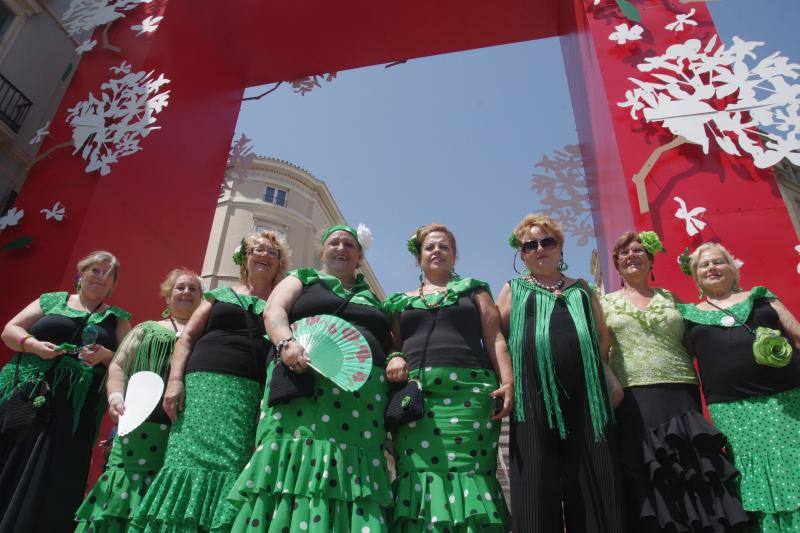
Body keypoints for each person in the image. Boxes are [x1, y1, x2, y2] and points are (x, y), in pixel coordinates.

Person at [228, 224, 393, 532]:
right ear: (322, 251)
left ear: (359, 256)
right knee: (294, 458)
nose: (341, 248)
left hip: (362, 396)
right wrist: (285, 343)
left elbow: (389, 341)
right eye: (334, 243)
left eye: (349, 244)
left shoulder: (371, 297)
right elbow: (274, 311)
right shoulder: (302, 279)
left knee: (351, 471)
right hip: (302, 380)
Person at [131, 231, 287, 532]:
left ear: (280, 263)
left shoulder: (282, 303)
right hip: (201, 384)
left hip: (247, 393)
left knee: (232, 463)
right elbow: (187, 337)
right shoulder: (219, 295)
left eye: (273, 252)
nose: (265, 255)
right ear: (245, 258)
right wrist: (175, 381)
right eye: (258, 249)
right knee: (184, 459)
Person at [601, 231, 747, 532]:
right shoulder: (604, 303)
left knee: (692, 469)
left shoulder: (670, 298)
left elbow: (698, 341)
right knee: (650, 472)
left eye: (639, 250)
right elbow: (599, 355)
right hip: (633, 399)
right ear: (616, 264)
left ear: (651, 259)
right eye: (624, 253)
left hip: (682, 393)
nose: (631, 256)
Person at [497, 213, 624, 532]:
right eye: (531, 245)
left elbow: (601, 337)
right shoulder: (513, 289)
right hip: (533, 398)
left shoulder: (582, 290)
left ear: (560, 248)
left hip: (586, 396)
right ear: (522, 254)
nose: (540, 248)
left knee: (594, 476)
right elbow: (498, 337)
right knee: (536, 482)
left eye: (548, 241)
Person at [382, 223, 513, 531]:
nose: (437, 251)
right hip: (416, 399)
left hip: (470, 397)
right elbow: (393, 344)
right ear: (419, 258)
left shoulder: (475, 291)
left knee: (471, 471)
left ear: (455, 256)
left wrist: (508, 382)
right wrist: (394, 356)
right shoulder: (400, 301)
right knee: (417, 473)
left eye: (444, 247)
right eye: (430, 247)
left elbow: (494, 339)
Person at [0, 251, 132, 532]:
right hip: (28, 392)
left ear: (113, 285)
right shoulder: (51, 301)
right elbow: (9, 329)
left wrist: (107, 355)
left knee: (56, 470)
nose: (100, 277)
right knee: (10, 454)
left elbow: (129, 362)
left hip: (75, 408)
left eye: (108, 274)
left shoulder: (117, 319)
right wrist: (33, 345)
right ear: (81, 273)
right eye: (95, 270)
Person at [678, 242, 800, 532]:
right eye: (704, 265)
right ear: (696, 277)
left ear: (732, 269)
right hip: (733, 413)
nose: (711, 268)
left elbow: (796, 334)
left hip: (786, 403)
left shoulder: (761, 298)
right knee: (750, 477)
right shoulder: (689, 317)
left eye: (718, 262)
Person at [75, 268, 203, 532]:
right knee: (123, 483)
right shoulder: (146, 330)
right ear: (167, 297)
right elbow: (119, 366)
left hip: (182, 432)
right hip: (137, 426)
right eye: (180, 287)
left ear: (201, 299)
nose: (186, 292)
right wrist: (115, 396)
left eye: (193, 289)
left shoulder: (205, 338)